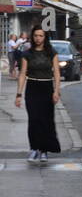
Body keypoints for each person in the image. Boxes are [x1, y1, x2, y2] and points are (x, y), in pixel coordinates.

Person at [14, 26, 62, 164]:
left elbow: (57, 73)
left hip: (47, 88)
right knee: (34, 119)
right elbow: (23, 73)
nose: (38, 38)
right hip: (32, 88)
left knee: (46, 120)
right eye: (36, 35)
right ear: (32, 37)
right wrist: (18, 94)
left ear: (45, 37)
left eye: (41, 36)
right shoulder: (27, 54)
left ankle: (44, 150)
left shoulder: (51, 53)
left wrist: (56, 91)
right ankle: (34, 148)